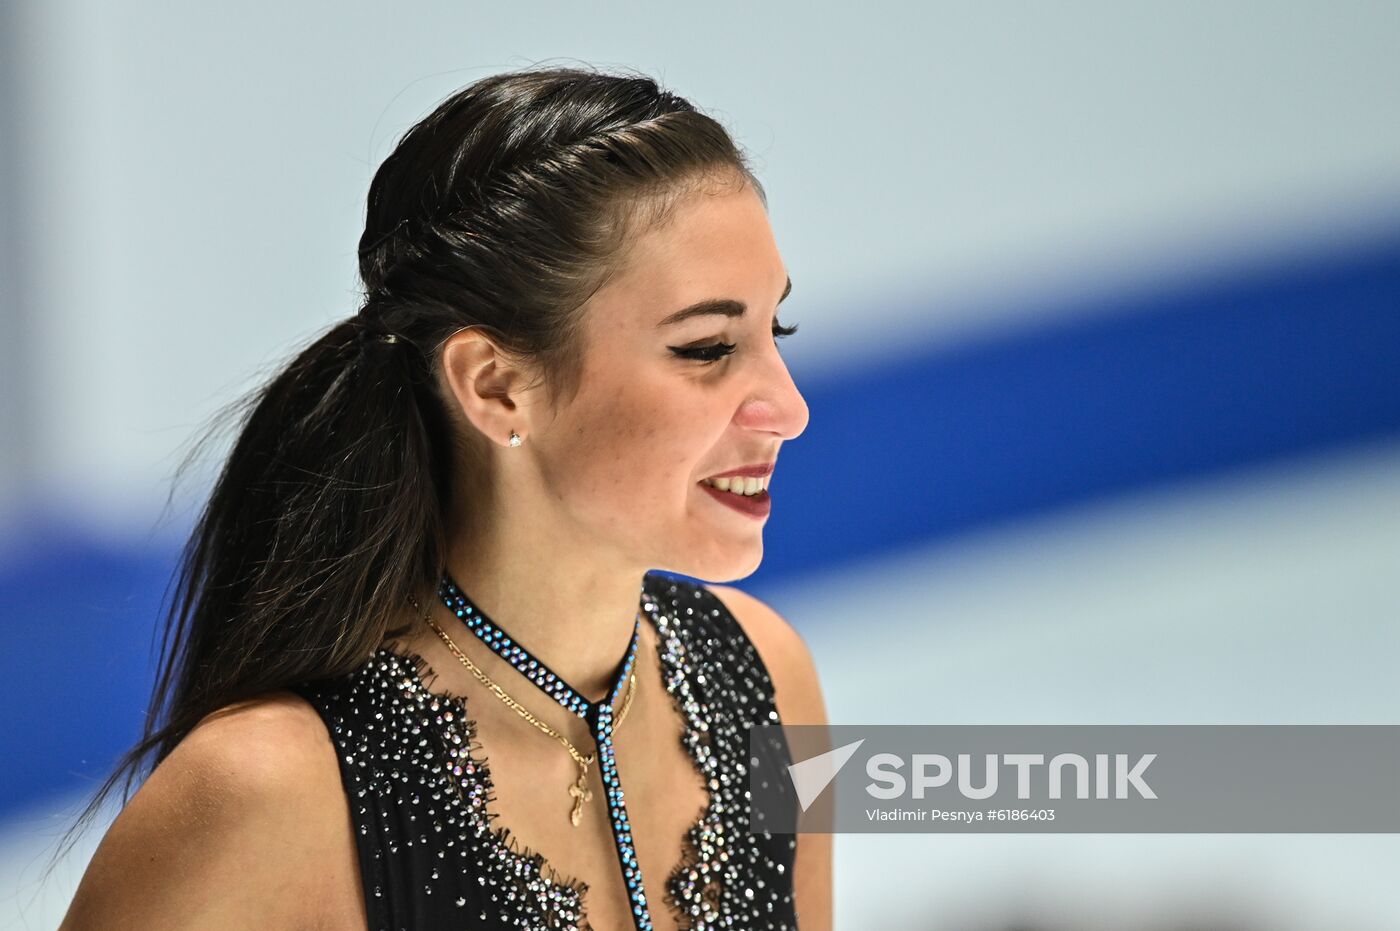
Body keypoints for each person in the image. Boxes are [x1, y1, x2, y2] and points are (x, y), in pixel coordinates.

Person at [57, 63, 831, 931]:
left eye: (777, 329)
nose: (789, 407)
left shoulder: (767, 677)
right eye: (706, 348)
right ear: (495, 385)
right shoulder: (269, 795)